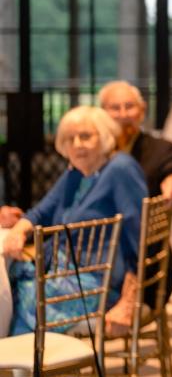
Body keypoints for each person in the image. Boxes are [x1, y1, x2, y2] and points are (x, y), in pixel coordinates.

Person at [1, 106, 147, 337]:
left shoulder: (120, 168)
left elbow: (139, 239)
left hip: (96, 286)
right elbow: (41, 212)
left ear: (104, 137)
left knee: (16, 298)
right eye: (70, 139)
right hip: (62, 274)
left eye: (86, 136)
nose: (77, 144)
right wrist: (18, 231)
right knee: (10, 287)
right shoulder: (76, 174)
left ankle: (29, 358)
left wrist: (128, 303)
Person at [99, 80, 172, 303]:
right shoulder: (93, 151)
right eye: (115, 108)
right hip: (96, 259)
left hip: (143, 266)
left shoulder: (160, 150)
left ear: (142, 111)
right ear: (102, 113)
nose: (123, 114)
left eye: (129, 106)